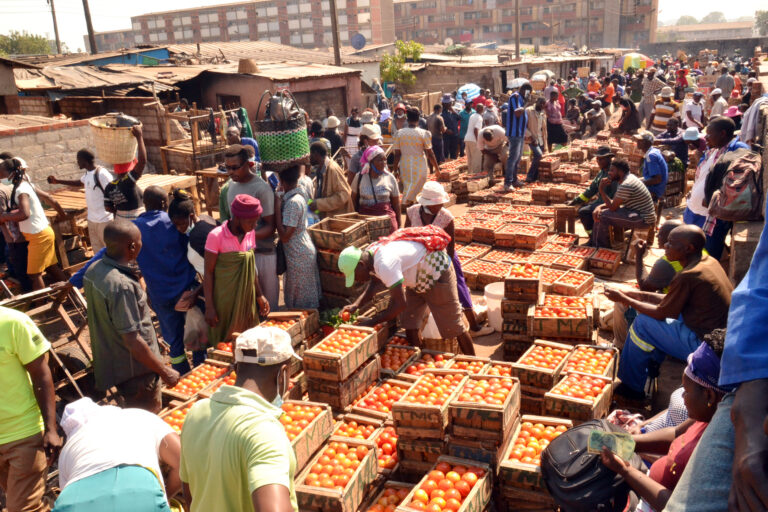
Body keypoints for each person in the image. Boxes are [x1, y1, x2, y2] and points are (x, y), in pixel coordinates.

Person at [600, 333, 734, 512]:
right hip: (651, 479)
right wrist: (624, 442)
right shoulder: (708, 415)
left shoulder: (718, 453)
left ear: (709, 396)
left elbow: (675, 505)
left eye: (685, 391)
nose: (682, 397)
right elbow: (676, 434)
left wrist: (626, 471)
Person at [605, 225, 732, 399]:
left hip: (704, 344)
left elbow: (662, 312)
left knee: (642, 324)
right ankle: (652, 363)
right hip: (718, 335)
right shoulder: (708, 262)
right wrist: (635, 295)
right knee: (645, 311)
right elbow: (671, 301)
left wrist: (625, 299)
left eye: (671, 243)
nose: (665, 246)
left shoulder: (688, 275)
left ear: (689, 248)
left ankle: (632, 387)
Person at [180, 327, 300, 512]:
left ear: (236, 368)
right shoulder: (263, 432)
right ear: (283, 373)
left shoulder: (196, 413)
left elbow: (191, 494)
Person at [84, 222, 179, 412]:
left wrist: (154, 338)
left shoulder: (93, 271)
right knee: (148, 419)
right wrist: (165, 371)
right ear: (132, 246)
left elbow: (117, 320)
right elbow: (132, 339)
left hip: (115, 363)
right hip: (136, 372)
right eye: (140, 241)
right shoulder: (122, 286)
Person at [338, 225, 476, 355]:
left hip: (436, 274)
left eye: (354, 275)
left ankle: (474, 365)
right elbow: (375, 282)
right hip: (416, 278)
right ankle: (418, 357)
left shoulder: (384, 263)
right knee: (409, 323)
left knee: (454, 327)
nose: (357, 280)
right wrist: (356, 305)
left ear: (361, 265)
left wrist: (372, 322)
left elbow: (400, 304)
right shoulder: (370, 254)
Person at [52, 398, 181, 512]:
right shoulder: (140, 416)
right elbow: (182, 460)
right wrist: (165, 496)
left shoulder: (68, 449)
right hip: (142, 494)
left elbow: (71, 494)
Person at [405, 183, 493, 337]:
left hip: (444, 259)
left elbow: (450, 249)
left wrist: (444, 271)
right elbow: (406, 238)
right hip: (419, 260)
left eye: (440, 203)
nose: (439, 205)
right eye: (435, 204)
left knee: (458, 288)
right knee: (418, 292)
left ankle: (474, 327)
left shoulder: (446, 217)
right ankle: (418, 329)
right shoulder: (412, 212)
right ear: (426, 203)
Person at [133, 186, 203, 374]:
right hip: (188, 293)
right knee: (196, 335)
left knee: (174, 342)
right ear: (165, 204)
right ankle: (201, 373)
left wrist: (75, 279)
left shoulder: (134, 229)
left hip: (160, 297)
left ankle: (182, 375)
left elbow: (104, 253)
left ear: (144, 203)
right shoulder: (175, 221)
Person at [0, 306, 61, 512]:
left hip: (24, 433)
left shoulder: (13, 322)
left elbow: (42, 375)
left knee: (20, 508)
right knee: (24, 502)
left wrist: (51, 429)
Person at [204, 195, 270, 347]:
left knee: (248, 340)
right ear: (237, 217)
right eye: (250, 221)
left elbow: (250, 266)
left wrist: (259, 295)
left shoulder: (250, 233)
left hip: (246, 297)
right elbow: (208, 273)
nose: (254, 225)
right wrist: (209, 307)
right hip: (224, 300)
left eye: (256, 221)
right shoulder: (216, 236)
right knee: (224, 342)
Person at [218, 145, 279, 310]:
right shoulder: (231, 186)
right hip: (241, 256)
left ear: (248, 165)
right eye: (227, 168)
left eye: (235, 167)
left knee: (270, 308)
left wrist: (245, 237)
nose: (231, 172)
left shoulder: (262, 189)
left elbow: (270, 227)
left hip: (263, 254)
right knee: (249, 306)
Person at [682, 116, 749, 260]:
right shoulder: (712, 149)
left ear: (722, 133)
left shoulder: (738, 150)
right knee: (687, 251)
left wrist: (716, 199)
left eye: (710, 133)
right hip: (693, 210)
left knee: (707, 256)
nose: (706, 137)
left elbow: (740, 182)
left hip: (711, 215)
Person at [612, 220, 683, 346]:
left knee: (621, 302)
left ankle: (621, 344)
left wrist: (639, 256)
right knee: (627, 297)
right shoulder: (699, 253)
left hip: (677, 315)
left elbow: (645, 287)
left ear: (669, 239)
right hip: (681, 306)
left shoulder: (666, 263)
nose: (656, 237)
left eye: (660, 234)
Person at [0, 157, 68, 290]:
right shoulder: (23, 186)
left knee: (34, 274)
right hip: (40, 233)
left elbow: (24, 214)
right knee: (51, 267)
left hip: (39, 236)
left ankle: (42, 304)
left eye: (2, 176)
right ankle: (69, 290)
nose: (1, 179)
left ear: (12, 174)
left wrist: (4, 217)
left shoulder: (21, 190)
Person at [47, 149, 113, 252]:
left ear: (84, 161)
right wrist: (57, 181)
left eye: (78, 160)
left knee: (112, 251)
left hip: (105, 220)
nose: (77, 163)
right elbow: (79, 182)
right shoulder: (88, 174)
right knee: (98, 253)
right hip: (92, 220)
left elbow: (113, 193)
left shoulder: (102, 174)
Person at [275, 166, 321, 309]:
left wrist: (277, 207)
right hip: (300, 250)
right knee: (301, 295)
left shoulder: (293, 202)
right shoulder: (299, 196)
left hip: (299, 253)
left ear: (282, 181)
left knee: (301, 301)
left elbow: (285, 237)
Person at [591, 159, 656, 248]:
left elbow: (613, 207)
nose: (609, 173)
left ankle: (599, 247)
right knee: (603, 212)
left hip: (643, 219)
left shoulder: (626, 184)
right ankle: (601, 244)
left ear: (620, 172)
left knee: (602, 216)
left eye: (612, 170)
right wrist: (599, 207)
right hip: (639, 214)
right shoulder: (628, 178)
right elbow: (615, 203)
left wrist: (601, 190)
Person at [393, 108, 439, 206]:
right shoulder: (423, 133)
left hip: (404, 163)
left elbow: (397, 154)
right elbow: (430, 153)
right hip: (419, 163)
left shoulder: (399, 133)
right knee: (418, 184)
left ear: (407, 119)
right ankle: (408, 202)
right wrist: (437, 169)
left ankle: (408, 202)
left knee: (407, 184)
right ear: (418, 119)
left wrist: (395, 169)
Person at [568, 146, 618, 237]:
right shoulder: (602, 172)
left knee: (583, 212)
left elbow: (615, 196)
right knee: (585, 208)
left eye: (601, 159)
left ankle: (594, 237)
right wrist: (576, 200)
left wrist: (604, 205)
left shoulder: (612, 172)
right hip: (600, 201)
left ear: (609, 159)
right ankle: (593, 235)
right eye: (597, 159)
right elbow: (591, 190)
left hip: (609, 203)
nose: (598, 162)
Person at [351, 145, 401, 234]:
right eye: (379, 160)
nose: (384, 163)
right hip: (365, 222)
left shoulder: (390, 177)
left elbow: (396, 203)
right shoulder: (359, 177)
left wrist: (399, 224)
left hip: (387, 222)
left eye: (385, 159)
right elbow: (353, 201)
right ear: (370, 162)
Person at [103, 125, 147, 220]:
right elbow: (142, 162)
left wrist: (121, 213)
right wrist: (139, 137)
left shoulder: (110, 186)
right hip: (136, 221)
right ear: (130, 169)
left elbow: (108, 207)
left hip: (120, 220)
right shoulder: (128, 182)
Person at [307, 142, 353, 219]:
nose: (309, 158)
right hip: (327, 218)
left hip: (338, 221)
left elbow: (344, 194)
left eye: (310, 155)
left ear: (316, 154)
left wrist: (319, 204)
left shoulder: (333, 169)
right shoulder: (320, 170)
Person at [0, 179, 32, 292]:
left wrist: (10, 242)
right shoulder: (9, 187)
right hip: (22, 234)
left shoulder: (1, 192)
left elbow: (3, 219)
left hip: (14, 238)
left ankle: (32, 297)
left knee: (21, 271)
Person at [504, 84, 530, 191]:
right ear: (524, 91)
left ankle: (514, 180)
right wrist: (527, 103)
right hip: (514, 133)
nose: (528, 95)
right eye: (528, 93)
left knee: (518, 158)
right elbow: (517, 113)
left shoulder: (521, 99)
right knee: (513, 158)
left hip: (520, 133)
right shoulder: (515, 97)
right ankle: (508, 183)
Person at [634, 132, 668, 201]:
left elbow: (657, 179)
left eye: (640, 141)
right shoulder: (654, 151)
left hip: (655, 190)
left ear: (647, 142)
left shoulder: (651, 156)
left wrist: (640, 184)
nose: (637, 142)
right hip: (659, 187)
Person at [522, 97, 547, 183]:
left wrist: (545, 142)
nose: (542, 105)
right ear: (536, 101)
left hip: (541, 138)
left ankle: (534, 177)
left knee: (539, 157)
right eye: (541, 103)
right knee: (538, 155)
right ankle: (529, 176)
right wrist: (531, 138)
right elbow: (523, 126)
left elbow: (543, 128)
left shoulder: (543, 113)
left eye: (544, 104)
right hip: (531, 138)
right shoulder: (528, 111)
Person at [463, 103, 485, 174]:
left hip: (467, 138)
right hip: (473, 140)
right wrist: (478, 141)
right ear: (482, 110)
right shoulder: (479, 118)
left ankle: (469, 175)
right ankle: (475, 177)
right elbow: (476, 130)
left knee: (470, 160)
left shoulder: (472, 115)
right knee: (476, 160)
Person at [441, 94, 460, 160]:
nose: (450, 104)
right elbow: (439, 125)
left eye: (450, 102)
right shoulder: (441, 113)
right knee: (445, 153)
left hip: (454, 136)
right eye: (448, 103)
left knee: (454, 154)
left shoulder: (454, 111)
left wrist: (453, 111)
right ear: (443, 104)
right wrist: (446, 130)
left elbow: (459, 118)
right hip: (446, 136)